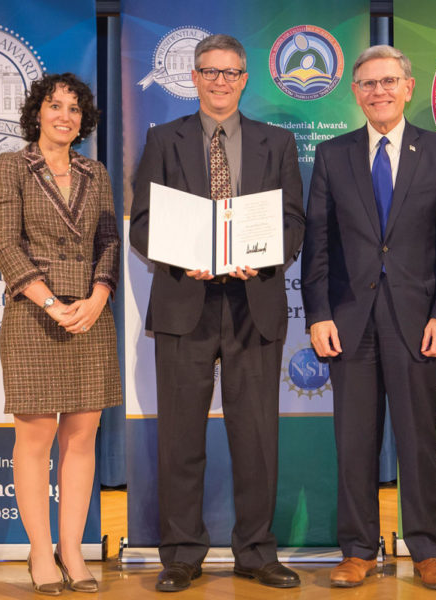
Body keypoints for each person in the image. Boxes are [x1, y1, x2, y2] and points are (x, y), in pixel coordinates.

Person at [129, 34, 304, 592]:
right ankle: (180, 554)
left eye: (231, 72)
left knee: (256, 438)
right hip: (185, 302)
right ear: (195, 77)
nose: (221, 81)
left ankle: (256, 551)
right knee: (181, 437)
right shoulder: (164, 140)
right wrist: (184, 259)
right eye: (211, 71)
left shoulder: (276, 142)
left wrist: (265, 257)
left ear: (245, 78)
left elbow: (295, 222)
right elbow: (142, 222)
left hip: (254, 303)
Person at [302, 45, 436, 590]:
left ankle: (426, 550)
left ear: (408, 87)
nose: (379, 91)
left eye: (389, 81)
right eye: (368, 83)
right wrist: (318, 314)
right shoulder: (332, 155)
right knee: (354, 441)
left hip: (419, 322)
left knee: (419, 439)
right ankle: (357, 549)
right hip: (349, 322)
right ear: (354, 92)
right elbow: (318, 243)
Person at [0, 72, 121, 595]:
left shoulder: (97, 171)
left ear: (83, 120)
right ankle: (40, 552)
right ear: (37, 113)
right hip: (33, 314)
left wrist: (97, 297)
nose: (64, 116)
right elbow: (5, 243)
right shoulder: (11, 166)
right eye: (55, 106)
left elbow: (109, 239)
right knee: (35, 439)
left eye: (73, 109)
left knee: (82, 436)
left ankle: (73, 549)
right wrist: (49, 301)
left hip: (90, 314)